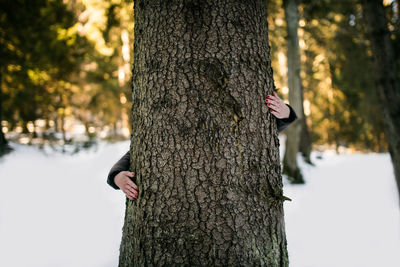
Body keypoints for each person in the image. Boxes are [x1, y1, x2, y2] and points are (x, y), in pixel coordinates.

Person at [107, 91, 297, 200]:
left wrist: (285, 112)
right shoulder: (168, 126)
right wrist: (117, 176)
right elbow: (142, 148)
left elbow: (257, 134)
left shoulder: (233, 123)